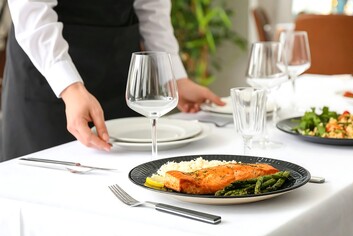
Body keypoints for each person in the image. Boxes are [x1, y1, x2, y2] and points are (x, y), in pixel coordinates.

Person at [1, 0, 225, 161]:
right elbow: (31, 9)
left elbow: (152, 6)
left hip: (118, 66)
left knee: (123, 181)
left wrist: (174, 77)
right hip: (47, 75)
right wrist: (69, 87)